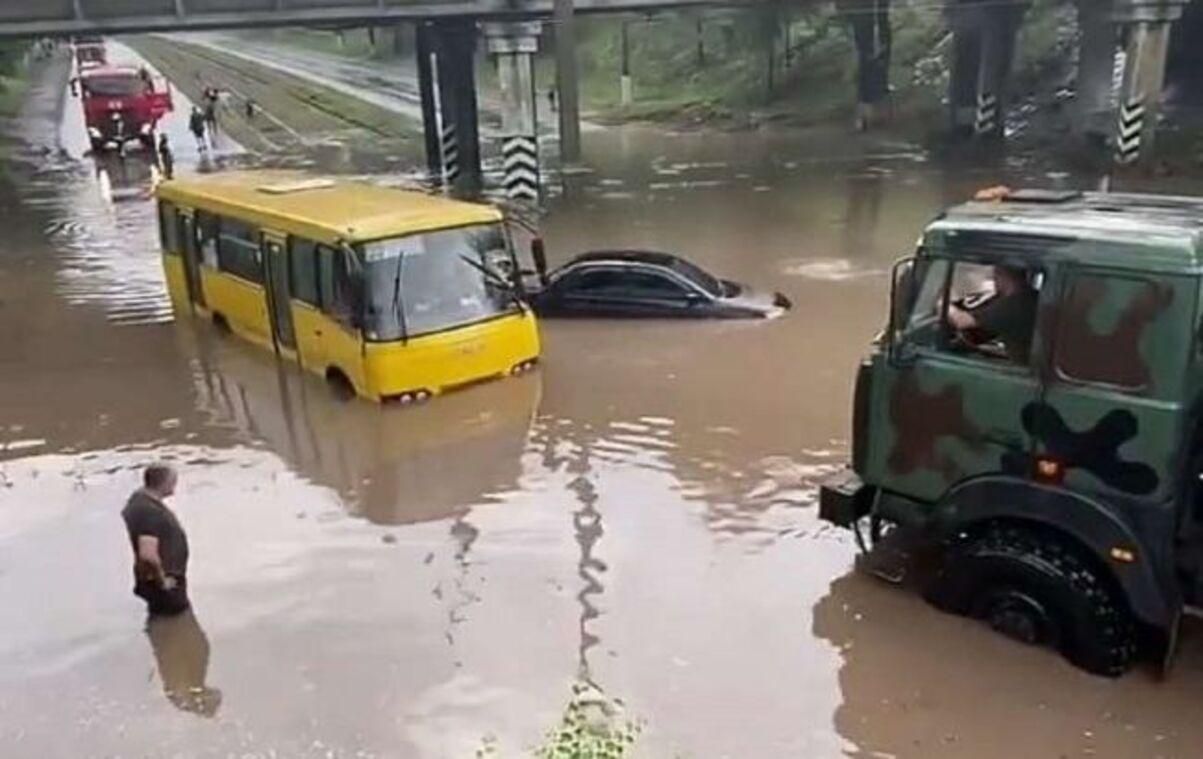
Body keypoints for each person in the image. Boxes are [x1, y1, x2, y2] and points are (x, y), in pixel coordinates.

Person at [121, 464, 190, 616]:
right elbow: (148, 555)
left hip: (150, 580)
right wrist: (162, 581)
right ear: (164, 483)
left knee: (161, 621)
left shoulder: (139, 500)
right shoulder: (150, 512)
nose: (175, 484)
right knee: (176, 622)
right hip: (165, 583)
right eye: (173, 480)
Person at [946, 265, 1038, 364]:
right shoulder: (1033, 297)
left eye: (995, 277)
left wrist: (944, 304)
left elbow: (961, 321)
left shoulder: (1012, 305)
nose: (994, 281)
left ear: (1003, 276)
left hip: (1023, 368)